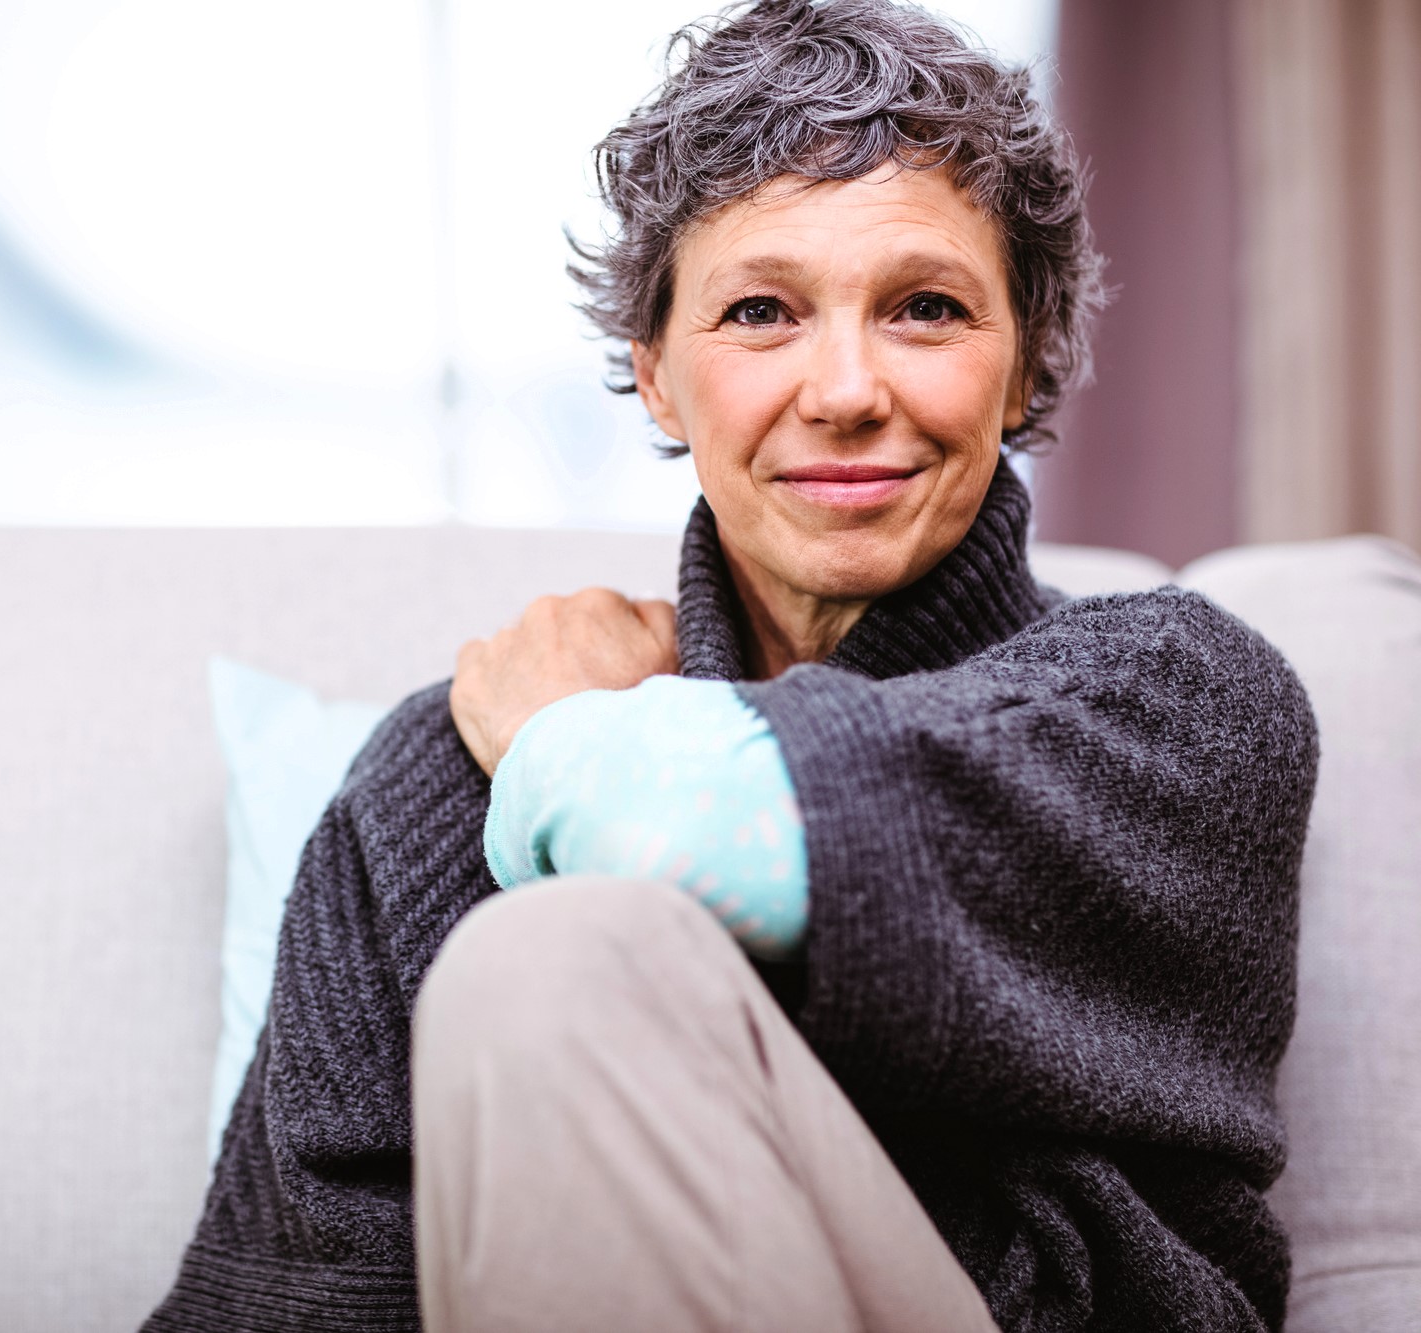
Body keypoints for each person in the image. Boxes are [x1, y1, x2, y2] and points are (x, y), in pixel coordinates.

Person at [145, 2, 1317, 1329]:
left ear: (1026, 359)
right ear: (654, 375)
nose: (844, 388)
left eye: (926, 308)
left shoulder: (1176, 707)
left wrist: (569, 742)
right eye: (762, 311)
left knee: (549, 961)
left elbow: (682, 834)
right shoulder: (431, 777)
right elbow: (297, 1299)